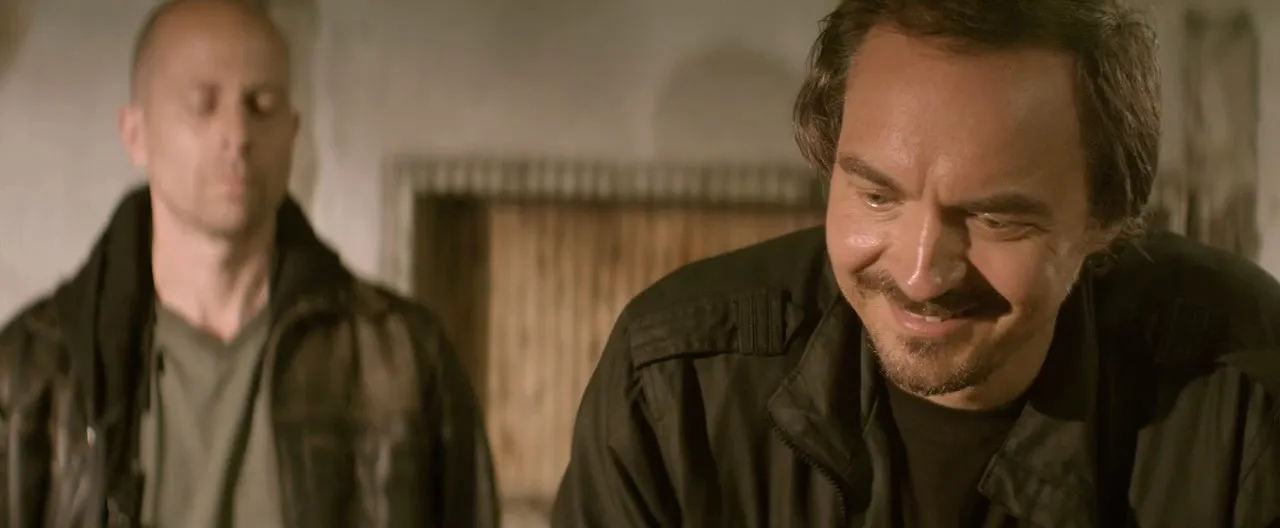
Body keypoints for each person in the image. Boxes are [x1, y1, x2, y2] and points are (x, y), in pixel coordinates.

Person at [553, 0, 1280, 526]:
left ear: (1106, 220)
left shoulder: (1245, 386)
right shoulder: (674, 385)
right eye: (877, 196)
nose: (920, 275)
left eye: (995, 217)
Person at [0, 1, 497, 526]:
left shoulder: (404, 364)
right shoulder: (31, 376)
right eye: (202, 105)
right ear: (135, 135)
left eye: (262, 105)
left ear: (292, 132)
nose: (237, 134)